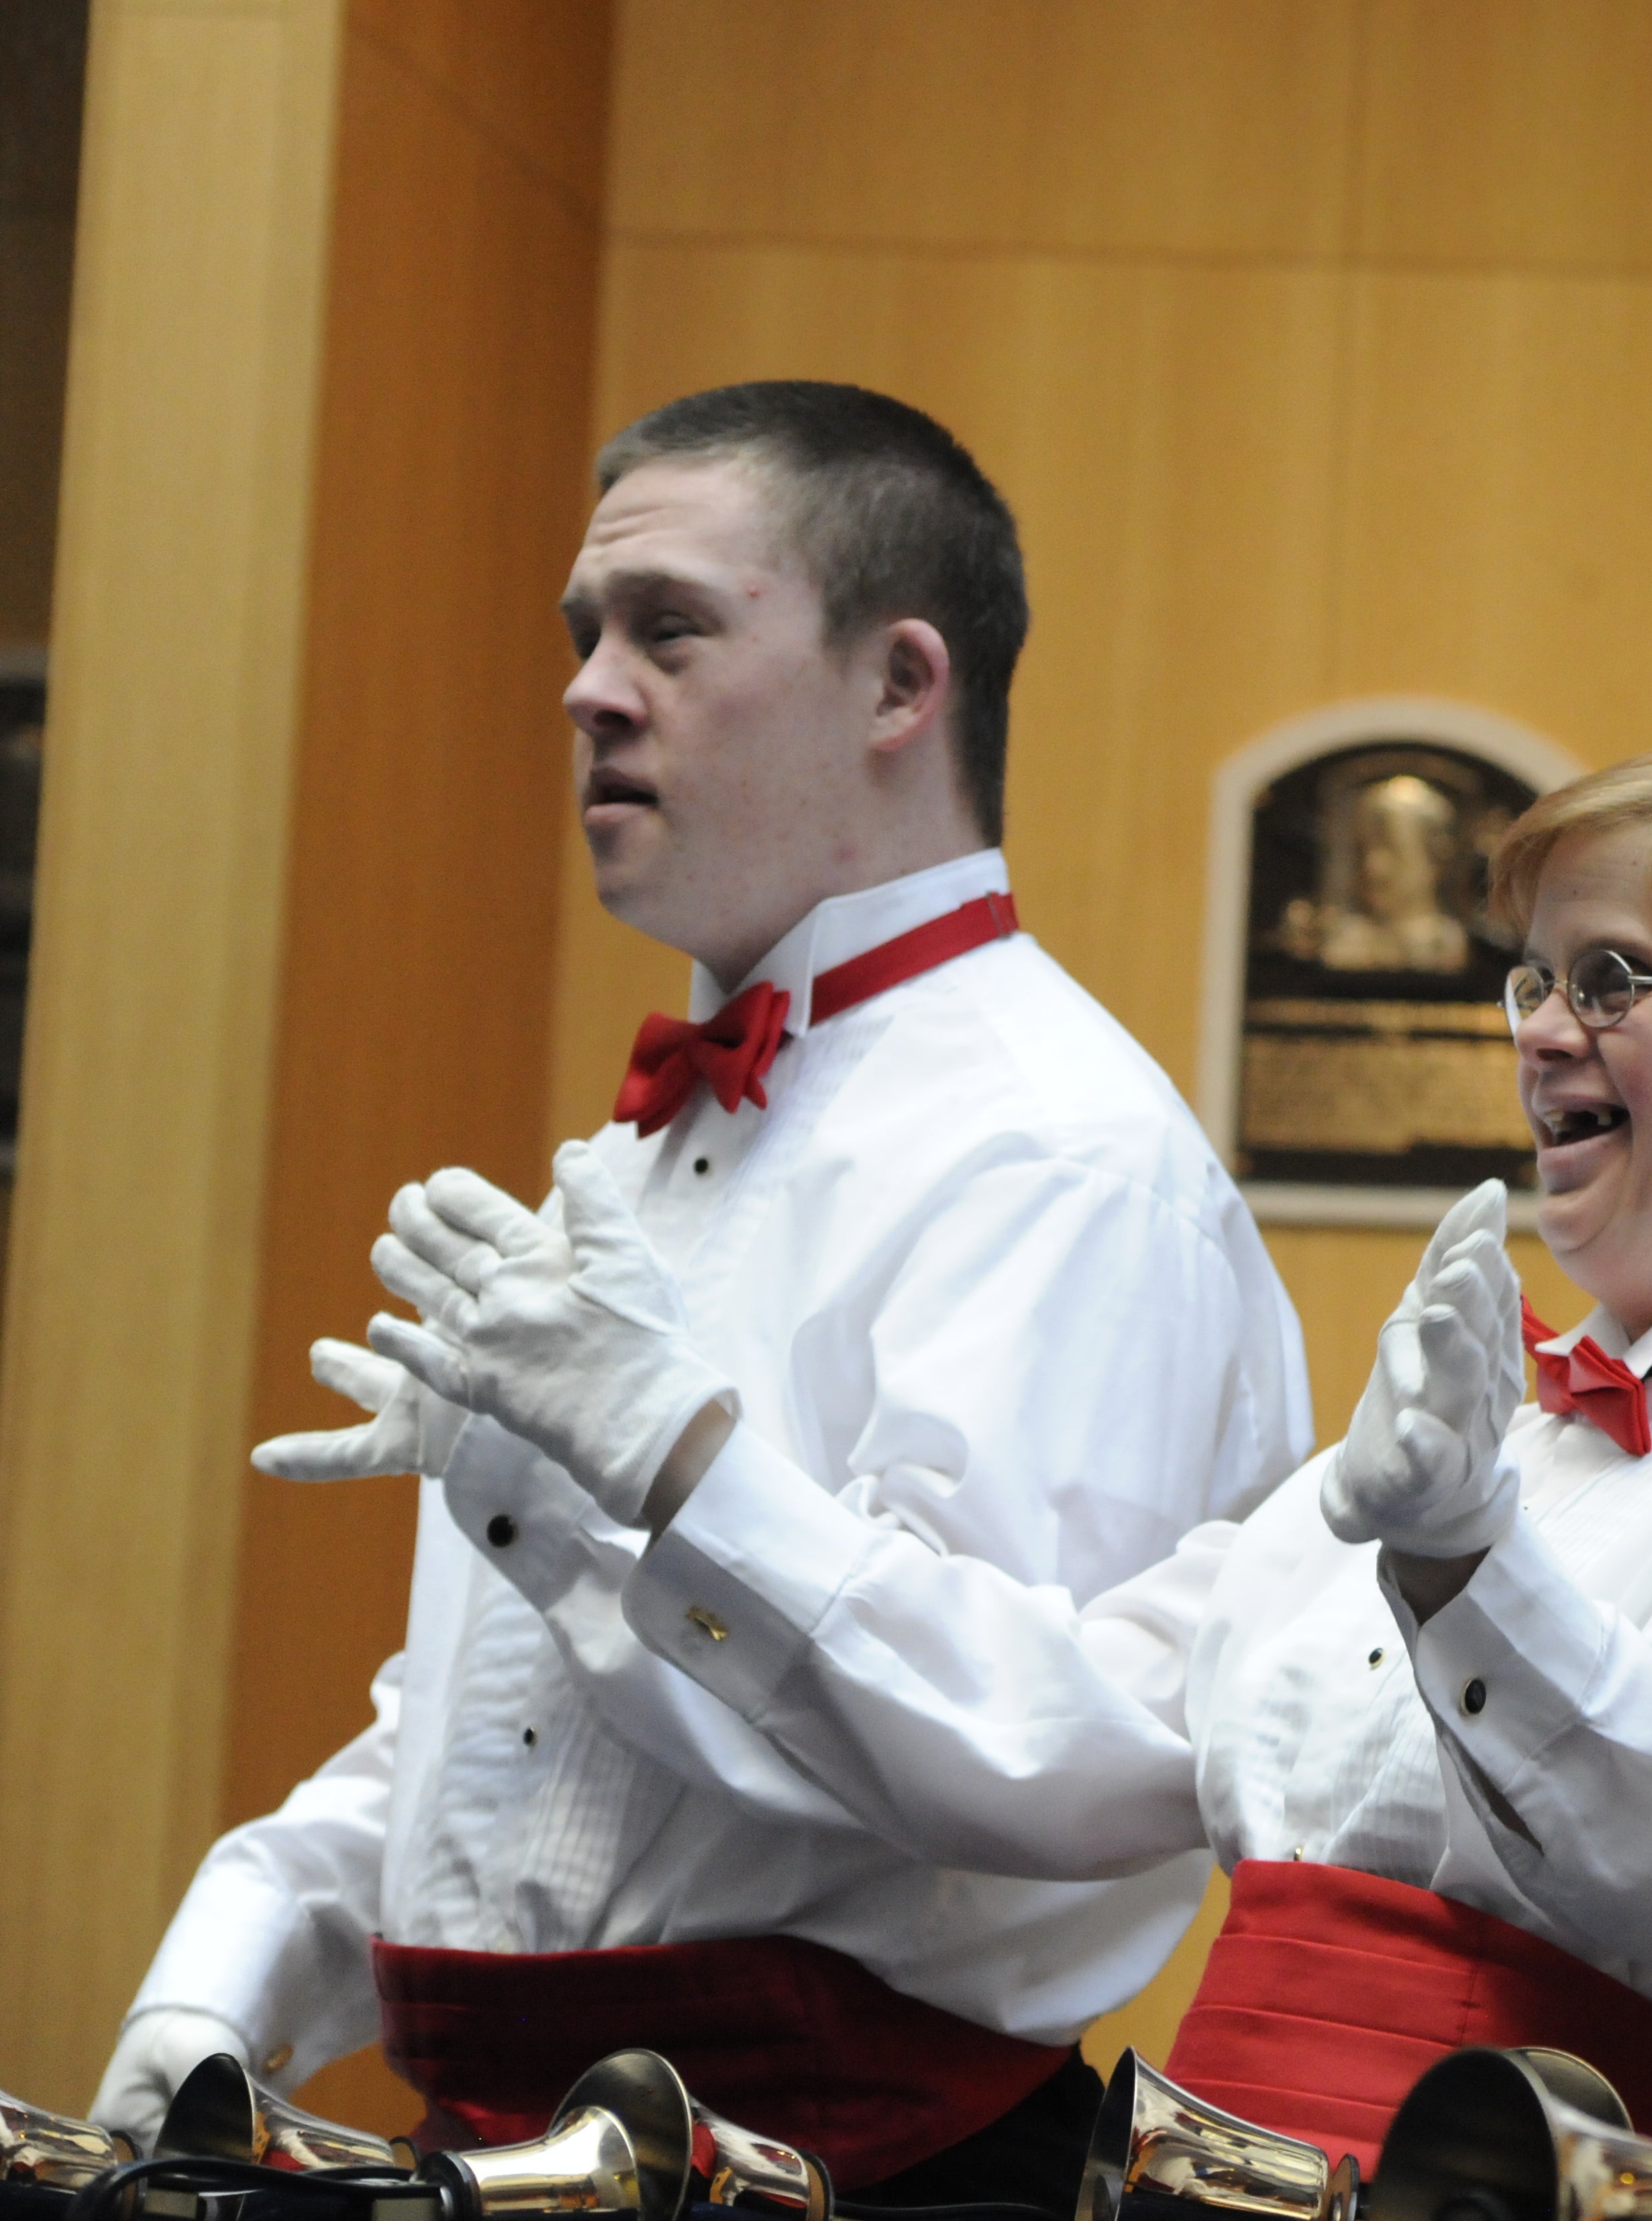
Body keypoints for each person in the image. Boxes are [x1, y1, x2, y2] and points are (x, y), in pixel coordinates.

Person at [366, 747, 1652, 2183]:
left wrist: (1464, 1569)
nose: (1540, 1038)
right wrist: (651, 1472)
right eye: (1532, 980)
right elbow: (1034, 1738)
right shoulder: (1464, 1448)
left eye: (1613, 981)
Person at [95, 384, 1314, 2205]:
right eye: (586, 634)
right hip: (526, 2151)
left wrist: (648, 1477)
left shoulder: (1057, 1153)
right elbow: (506, 1732)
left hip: (859, 2174)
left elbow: (1020, 1763)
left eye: (668, 629)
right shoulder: (686, 1126)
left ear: (902, 688)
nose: (588, 688)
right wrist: (230, 1975)